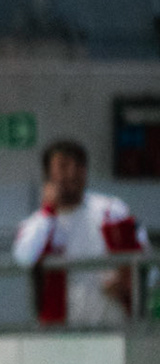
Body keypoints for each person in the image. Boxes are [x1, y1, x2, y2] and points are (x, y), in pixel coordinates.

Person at [12, 139, 148, 325]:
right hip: (62, 330)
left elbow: (146, 257)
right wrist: (48, 212)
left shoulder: (111, 210)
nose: (72, 173)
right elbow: (23, 257)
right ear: (48, 175)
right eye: (64, 166)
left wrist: (127, 282)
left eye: (79, 166)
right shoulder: (38, 223)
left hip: (113, 325)